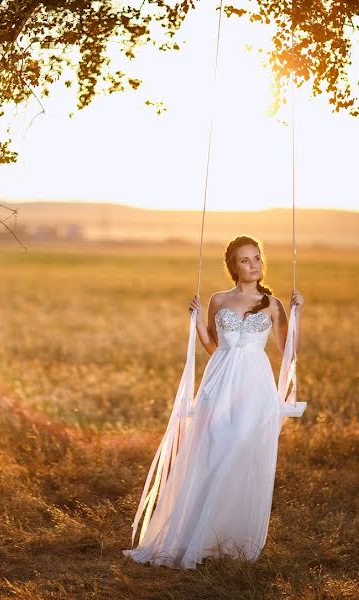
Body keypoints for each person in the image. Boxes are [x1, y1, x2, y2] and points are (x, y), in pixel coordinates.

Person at [123, 235, 305, 569]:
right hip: (220, 381)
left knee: (240, 448)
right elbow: (212, 345)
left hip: (254, 385)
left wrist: (296, 314)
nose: (253, 265)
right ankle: (197, 534)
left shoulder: (273, 304)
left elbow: (287, 351)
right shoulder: (218, 300)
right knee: (213, 447)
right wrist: (194, 321)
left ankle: (228, 534)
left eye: (257, 259)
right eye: (245, 260)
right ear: (233, 267)